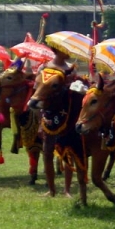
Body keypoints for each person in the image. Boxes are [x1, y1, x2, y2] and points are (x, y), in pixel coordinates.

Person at [36, 46, 76, 198]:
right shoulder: (44, 67)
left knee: (68, 153)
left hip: (66, 117)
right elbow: (38, 91)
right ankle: (52, 189)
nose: (69, 53)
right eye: (66, 50)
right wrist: (40, 121)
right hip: (48, 115)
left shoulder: (71, 70)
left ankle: (67, 190)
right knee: (47, 153)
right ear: (58, 50)